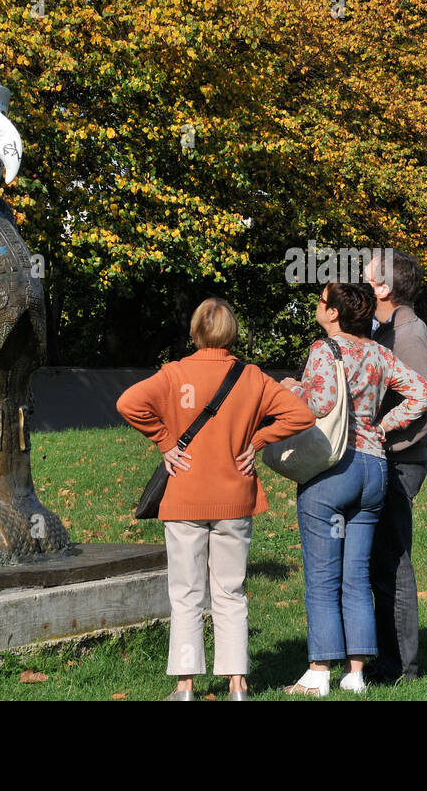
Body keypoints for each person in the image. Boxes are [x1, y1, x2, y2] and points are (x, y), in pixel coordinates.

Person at [116, 298, 314, 701]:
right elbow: (301, 415)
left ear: (194, 332)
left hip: (186, 496)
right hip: (234, 498)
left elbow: (128, 403)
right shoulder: (252, 377)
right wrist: (257, 441)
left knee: (187, 593)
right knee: (231, 592)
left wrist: (166, 442)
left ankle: (185, 687)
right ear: (233, 333)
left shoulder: (174, 373)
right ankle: (238, 685)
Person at [281, 282, 427, 696]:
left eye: (320, 300)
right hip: (374, 470)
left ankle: (317, 674)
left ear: (333, 313)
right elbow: (423, 392)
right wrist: (383, 426)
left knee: (322, 577)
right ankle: (356, 673)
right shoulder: (379, 352)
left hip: (334, 470)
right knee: (355, 577)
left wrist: (290, 388)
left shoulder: (323, 349)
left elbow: (317, 404)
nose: (317, 305)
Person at [364, 249, 427, 683]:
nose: (357, 283)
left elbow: (422, 398)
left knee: (393, 562)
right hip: (390, 457)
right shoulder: (388, 329)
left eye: (364, 276)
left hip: (399, 461)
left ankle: (400, 668)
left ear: (385, 287)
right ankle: (387, 659)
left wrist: (379, 431)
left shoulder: (409, 333)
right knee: (381, 562)